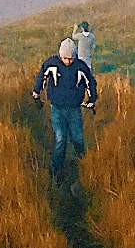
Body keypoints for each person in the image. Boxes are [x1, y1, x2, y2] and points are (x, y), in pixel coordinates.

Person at [31, 38, 98, 181]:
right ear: (60, 55)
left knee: (78, 138)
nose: (68, 61)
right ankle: (56, 171)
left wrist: (92, 100)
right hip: (57, 109)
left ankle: (85, 165)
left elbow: (90, 82)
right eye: (65, 58)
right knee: (60, 139)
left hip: (74, 109)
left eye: (70, 58)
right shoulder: (52, 64)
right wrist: (36, 94)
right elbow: (41, 77)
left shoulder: (80, 67)